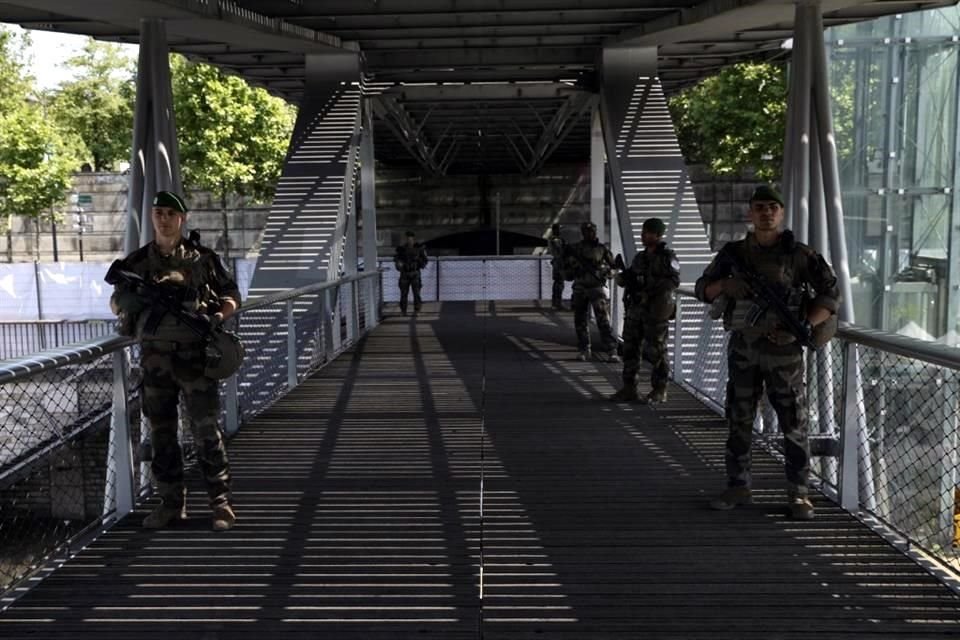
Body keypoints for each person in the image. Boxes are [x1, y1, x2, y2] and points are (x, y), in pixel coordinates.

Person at [694, 184, 839, 520]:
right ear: (751, 213)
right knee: (739, 419)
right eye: (760, 207)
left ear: (782, 213)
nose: (766, 213)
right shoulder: (734, 254)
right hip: (744, 348)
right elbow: (703, 288)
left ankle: (799, 494)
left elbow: (830, 294)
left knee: (794, 423)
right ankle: (738, 485)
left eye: (772, 207)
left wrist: (801, 325)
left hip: (785, 354)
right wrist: (726, 286)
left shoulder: (799, 255)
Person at [109, 190, 241, 531]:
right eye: (158, 213)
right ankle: (170, 504)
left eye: (170, 213)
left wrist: (216, 318)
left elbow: (231, 295)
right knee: (161, 433)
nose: (164, 218)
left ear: (182, 218)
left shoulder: (203, 259)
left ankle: (220, 504)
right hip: (155, 361)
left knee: (207, 432)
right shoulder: (136, 263)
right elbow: (116, 302)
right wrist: (130, 302)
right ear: (152, 217)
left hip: (195, 358)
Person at [610, 218, 680, 404]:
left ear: (657, 235)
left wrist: (648, 291)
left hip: (655, 312)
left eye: (647, 232)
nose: (643, 235)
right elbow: (632, 275)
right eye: (643, 231)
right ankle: (629, 388)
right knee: (630, 348)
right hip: (636, 311)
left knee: (656, 351)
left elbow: (673, 281)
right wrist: (623, 278)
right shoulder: (640, 258)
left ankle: (659, 389)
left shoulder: (667, 257)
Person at [563, 221, 620, 362]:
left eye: (591, 231)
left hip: (596, 287)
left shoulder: (602, 249)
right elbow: (566, 271)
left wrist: (606, 273)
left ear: (595, 232)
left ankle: (612, 350)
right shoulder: (575, 249)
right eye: (586, 231)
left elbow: (615, 268)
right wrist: (571, 267)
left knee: (603, 321)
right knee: (580, 321)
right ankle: (584, 349)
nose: (589, 234)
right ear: (583, 233)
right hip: (580, 288)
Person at [394, 230, 428, 315]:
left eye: (410, 238)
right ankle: (403, 311)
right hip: (404, 274)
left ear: (413, 238)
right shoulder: (401, 249)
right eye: (407, 238)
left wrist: (420, 263)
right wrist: (399, 265)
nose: (409, 239)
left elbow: (425, 259)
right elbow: (397, 260)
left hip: (415, 273)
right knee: (403, 294)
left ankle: (417, 310)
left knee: (416, 293)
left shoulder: (419, 248)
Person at [548, 223, 566, 310]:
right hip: (558, 262)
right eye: (559, 229)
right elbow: (560, 249)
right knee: (559, 283)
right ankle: (556, 304)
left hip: (558, 262)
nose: (560, 231)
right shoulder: (555, 239)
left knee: (558, 283)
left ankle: (556, 303)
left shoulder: (556, 239)